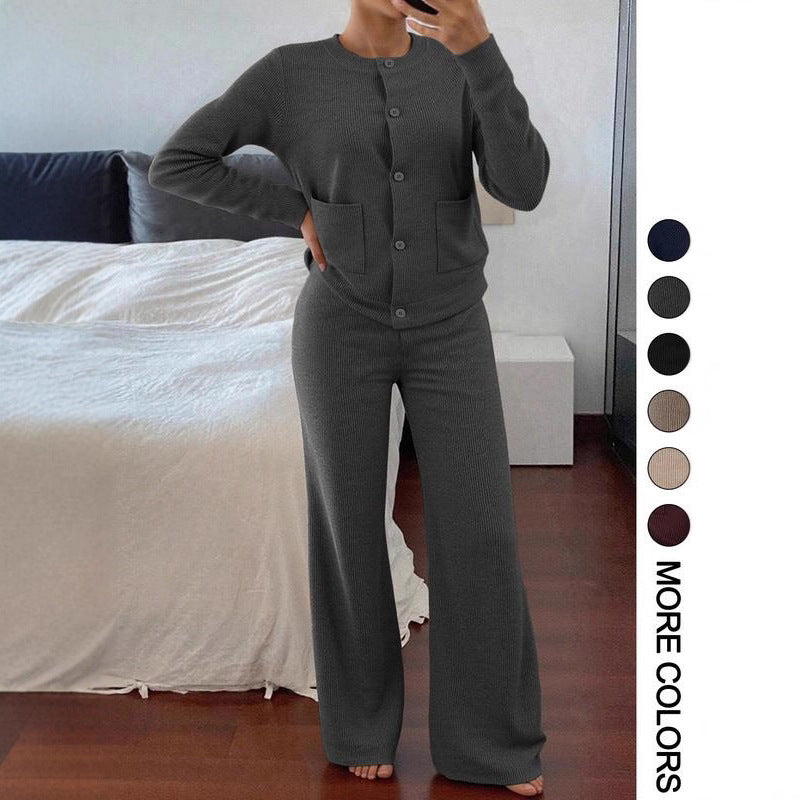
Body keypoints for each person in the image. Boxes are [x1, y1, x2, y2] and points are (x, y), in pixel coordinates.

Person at [149, 0, 550, 795]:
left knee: (480, 529)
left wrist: (482, 54)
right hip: (340, 327)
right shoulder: (290, 74)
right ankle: (361, 722)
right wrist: (295, 212)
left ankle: (491, 742)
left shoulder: (460, 65)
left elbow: (524, 184)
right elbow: (178, 162)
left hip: (450, 326)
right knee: (348, 529)